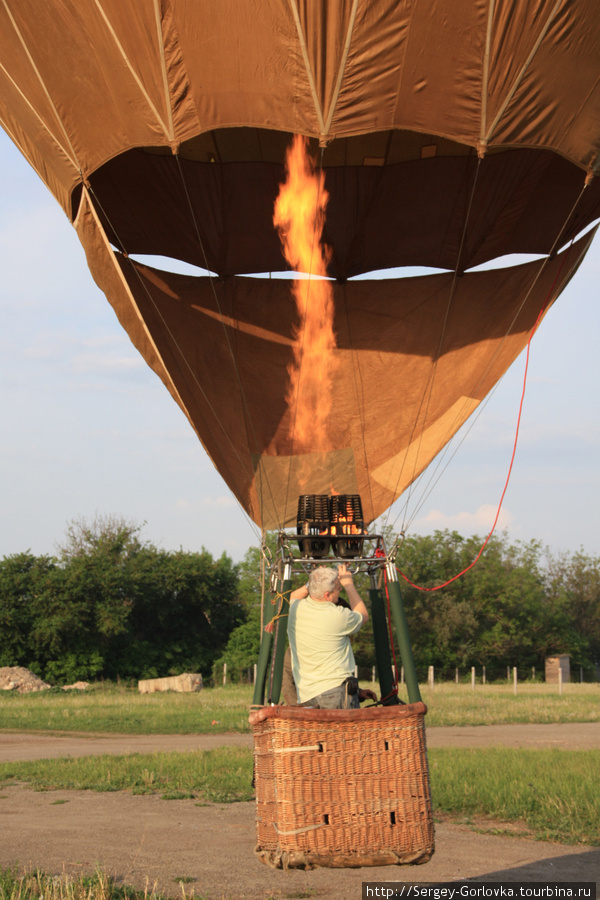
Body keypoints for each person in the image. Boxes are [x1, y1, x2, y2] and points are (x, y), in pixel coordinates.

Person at [286, 564, 376, 709]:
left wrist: (315, 581)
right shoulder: (337, 615)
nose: (339, 592)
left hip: (307, 695)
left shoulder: (294, 609)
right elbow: (363, 616)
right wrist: (348, 584)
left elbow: (288, 598)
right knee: (345, 732)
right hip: (336, 693)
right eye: (338, 590)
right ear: (327, 595)